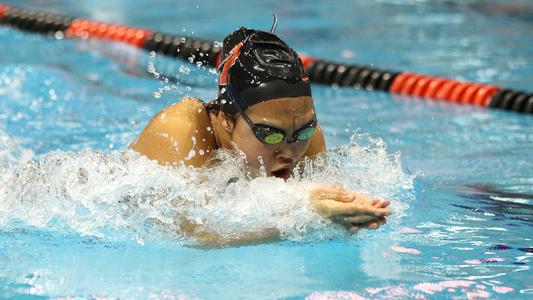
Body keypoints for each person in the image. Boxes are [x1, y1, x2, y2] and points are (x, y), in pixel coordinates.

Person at [130, 27, 391, 245]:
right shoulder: (181, 129)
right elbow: (193, 237)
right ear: (226, 120)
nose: (290, 152)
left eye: (304, 130)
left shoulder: (305, 136)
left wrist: (344, 213)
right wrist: (305, 215)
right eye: (270, 134)